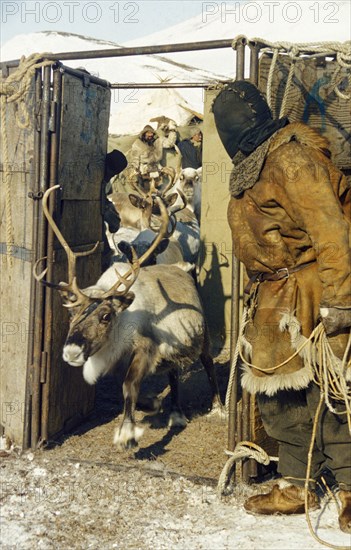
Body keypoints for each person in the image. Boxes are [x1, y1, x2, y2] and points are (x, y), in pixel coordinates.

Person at [212, 80, 351, 533]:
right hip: (273, 295)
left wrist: (341, 300)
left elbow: (330, 229)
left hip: (309, 290)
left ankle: (349, 488)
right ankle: (299, 484)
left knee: (329, 394)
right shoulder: (256, 162)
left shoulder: (289, 157)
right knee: (281, 398)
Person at [130, 121, 177, 190]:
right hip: (144, 172)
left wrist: (172, 130)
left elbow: (170, 143)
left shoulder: (158, 141)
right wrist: (135, 171)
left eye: (151, 133)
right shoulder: (137, 144)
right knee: (147, 192)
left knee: (159, 191)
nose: (150, 135)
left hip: (157, 171)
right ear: (144, 134)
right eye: (148, 133)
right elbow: (134, 159)